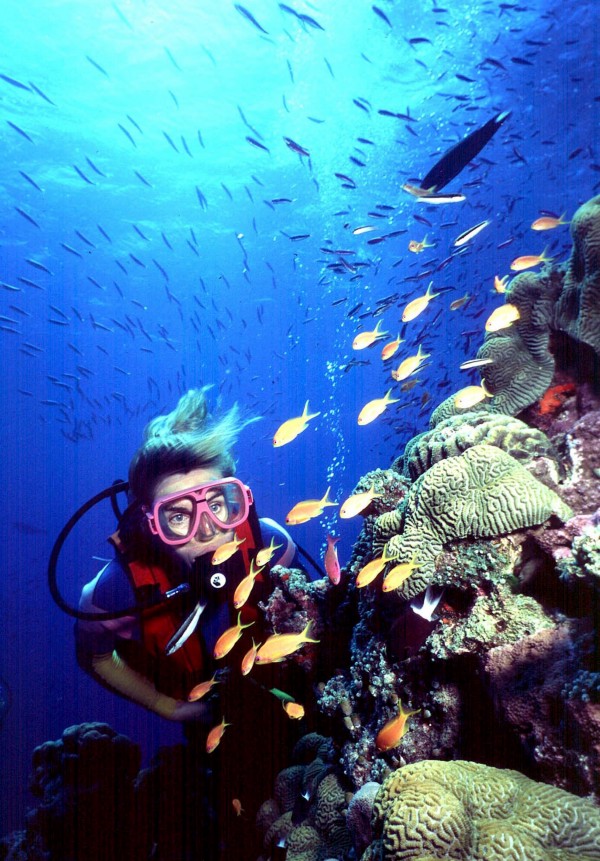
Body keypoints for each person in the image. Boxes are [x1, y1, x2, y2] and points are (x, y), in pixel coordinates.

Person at [75, 387, 310, 861]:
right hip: (208, 722)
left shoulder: (273, 545)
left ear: (237, 499)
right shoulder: (113, 594)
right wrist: (168, 707)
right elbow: (93, 655)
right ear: (148, 525)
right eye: (177, 516)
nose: (206, 530)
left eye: (218, 503)